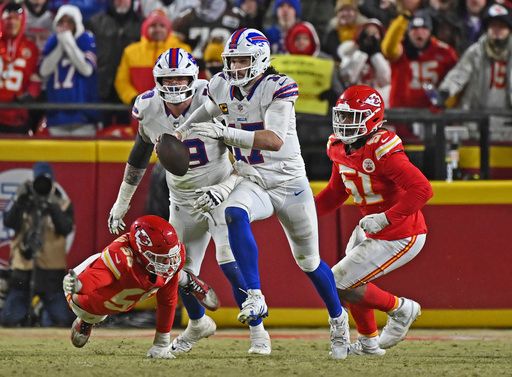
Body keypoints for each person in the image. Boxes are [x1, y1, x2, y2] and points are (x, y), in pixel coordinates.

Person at [175, 28, 351, 360]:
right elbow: (211, 107)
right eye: (232, 60)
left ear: (260, 58)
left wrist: (223, 132)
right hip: (253, 179)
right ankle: (255, 294)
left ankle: (338, 321)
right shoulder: (222, 85)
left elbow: (273, 140)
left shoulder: (277, 87)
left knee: (309, 261)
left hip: (288, 183)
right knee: (234, 213)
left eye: (242, 59)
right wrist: (184, 128)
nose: (235, 67)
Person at [108, 47, 271, 355]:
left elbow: (246, 157)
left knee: (228, 259)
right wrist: (122, 201)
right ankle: (197, 324)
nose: (174, 86)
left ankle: (258, 332)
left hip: (220, 192)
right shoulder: (148, 107)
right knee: (173, 270)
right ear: (157, 80)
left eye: (180, 78)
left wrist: (226, 187)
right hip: (182, 202)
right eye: (168, 80)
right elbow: (139, 156)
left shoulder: (213, 97)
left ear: (193, 77)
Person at [315, 85, 433, 355]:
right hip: (370, 229)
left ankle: (401, 309)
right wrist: (303, 214)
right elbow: (336, 192)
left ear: (372, 118)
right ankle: (369, 342)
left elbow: (422, 189)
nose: (344, 123)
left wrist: (385, 218)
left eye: (351, 117)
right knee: (350, 281)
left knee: (337, 283)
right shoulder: (337, 147)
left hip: (401, 232)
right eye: (342, 116)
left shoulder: (382, 149)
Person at [62, 215, 183, 357]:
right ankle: (87, 320)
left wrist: (161, 344)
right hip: (85, 299)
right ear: (141, 250)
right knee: (91, 314)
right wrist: (79, 285)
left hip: (118, 298)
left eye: (170, 256)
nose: (169, 263)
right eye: (161, 257)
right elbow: (96, 278)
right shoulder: (121, 258)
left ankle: (187, 280)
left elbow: (167, 301)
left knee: (172, 277)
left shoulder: (168, 261)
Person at [1, 162, 74, 327]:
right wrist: (19, 200)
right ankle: (35, 311)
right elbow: (9, 222)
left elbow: (65, 228)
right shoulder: (25, 199)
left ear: (53, 183)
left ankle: (41, 310)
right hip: (23, 272)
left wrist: (52, 204)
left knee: (61, 321)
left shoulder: (62, 203)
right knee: (9, 320)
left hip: (51, 274)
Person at [39, 4, 99, 137]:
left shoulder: (86, 38)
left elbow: (86, 69)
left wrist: (68, 42)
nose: (65, 25)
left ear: (77, 23)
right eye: (62, 21)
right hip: (57, 116)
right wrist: (61, 44)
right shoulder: (53, 40)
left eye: (69, 21)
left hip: (83, 116)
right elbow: (43, 71)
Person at [0, 1, 41, 134]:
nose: (11, 22)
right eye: (8, 18)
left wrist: (31, 93)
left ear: (22, 21)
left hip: (17, 117)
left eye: (16, 18)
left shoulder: (31, 48)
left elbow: (36, 78)